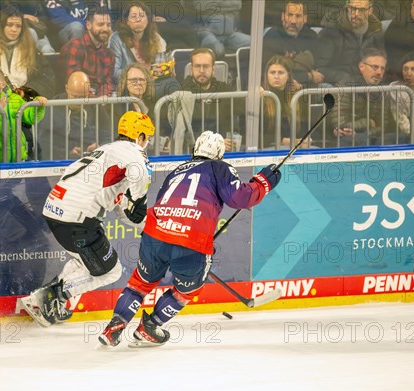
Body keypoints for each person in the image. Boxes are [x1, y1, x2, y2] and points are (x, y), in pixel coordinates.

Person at [98, 131, 282, 347]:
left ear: (195, 149)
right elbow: (239, 197)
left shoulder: (176, 171)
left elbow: (164, 203)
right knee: (188, 289)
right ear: (219, 154)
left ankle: (114, 326)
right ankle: (151, 327)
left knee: (140, 284)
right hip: (191, 242)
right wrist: (264, 182)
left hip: (156, 235)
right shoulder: (219, 167)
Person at [19, 111, 155, 327]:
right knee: (111, 271)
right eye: (147, 138)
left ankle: (46, 298)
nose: (146, 144)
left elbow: (125, 213)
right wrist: (143, 208)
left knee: (83, 261)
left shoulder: (106, 152)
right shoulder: (134, 154)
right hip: (78, 218)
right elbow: (139, 181)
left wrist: (145, 224)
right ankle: (49, 296)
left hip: (56, 211)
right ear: (140, 137)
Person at [0, 7, 56, 99]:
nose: (14, 29)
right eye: (9, 25)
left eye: (18, 26)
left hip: (26, 104)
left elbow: (47, 82)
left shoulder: (33, 52)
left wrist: (23, 92)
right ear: (1, 26)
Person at [0, 66, 48, 163]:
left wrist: (38, 106)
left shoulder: (15, 99)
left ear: (3, 84)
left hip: (18, 157)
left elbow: (30, 117)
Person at [108, 1, 178, 97]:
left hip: (151, 84)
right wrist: (138, 75)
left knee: (172, 83)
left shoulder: (156, 39)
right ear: (127, 21)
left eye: (142, 16)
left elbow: (159, 67)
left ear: (147, 20)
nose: (138, 19)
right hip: (129, 86)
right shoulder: (117, 39)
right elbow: (114, 72)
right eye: (134, 16)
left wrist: (165, 70)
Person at [38, 71, 111, 160]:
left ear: (89, 92)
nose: (78, 101)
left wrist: (99, 147)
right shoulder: (53, 107)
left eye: (82, 97)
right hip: (61, 161)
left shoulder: (95, 105)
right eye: (75, 96)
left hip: (92, 159)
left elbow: (108, 135)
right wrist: (67, 152)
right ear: (66, 88)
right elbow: (45, 142)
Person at [329, 48, 393, 146]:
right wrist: (369, 122)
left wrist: (365, 133)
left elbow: (383, 125)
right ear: (361, 66)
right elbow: (341, 124)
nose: (379, 72)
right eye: (375, 67)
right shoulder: (344, 87)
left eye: (382, 68)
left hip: (369, 136)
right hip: (343, 138)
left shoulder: (381, 90)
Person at [317, 0, 385, 85]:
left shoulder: (376, 31)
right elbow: (319, 68)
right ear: (348, 8)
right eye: (353, 9)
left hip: (365, 83)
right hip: (338, 84)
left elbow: (382, 62)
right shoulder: (331, 30)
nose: (356, 14)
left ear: (369, 11)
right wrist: (343, 77)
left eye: (361, 10)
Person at [262, 1, 323, 87]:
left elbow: (318, 72)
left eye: (298, 16)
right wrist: (308, 76)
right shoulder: (272, 37)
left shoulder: (311, 36)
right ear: (283, 16)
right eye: (290, 15)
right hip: (280, 90)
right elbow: (272, 75)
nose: (293, 21)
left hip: (309, 89)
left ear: (305, 19)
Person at [60, 6, 115, 97]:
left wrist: (104, 96)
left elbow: (107, 83)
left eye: (108, 25)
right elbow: (74, 82)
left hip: (99, 103)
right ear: (88, 25)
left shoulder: (109, 54)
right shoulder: (75, 46)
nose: (105, 29)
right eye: (100, 24)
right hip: (75, 100)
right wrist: (96, 101)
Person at [260, 55, 306, 149]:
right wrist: (282, 140)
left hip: (294, 145)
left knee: (314, 149)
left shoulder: (297, 95)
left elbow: (304, 125)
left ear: (288, 75)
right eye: (272, 72)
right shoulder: (261, 95)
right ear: (266, 75)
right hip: (269, 147)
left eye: (280, 73)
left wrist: (305, 139)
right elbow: (253, 135)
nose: (276, 76)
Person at [181, 0, 251, 58]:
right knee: (217, 50)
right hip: (205, 33)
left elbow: (237, 4)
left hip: (230, 33)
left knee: (256, 45)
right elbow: (200, 5)